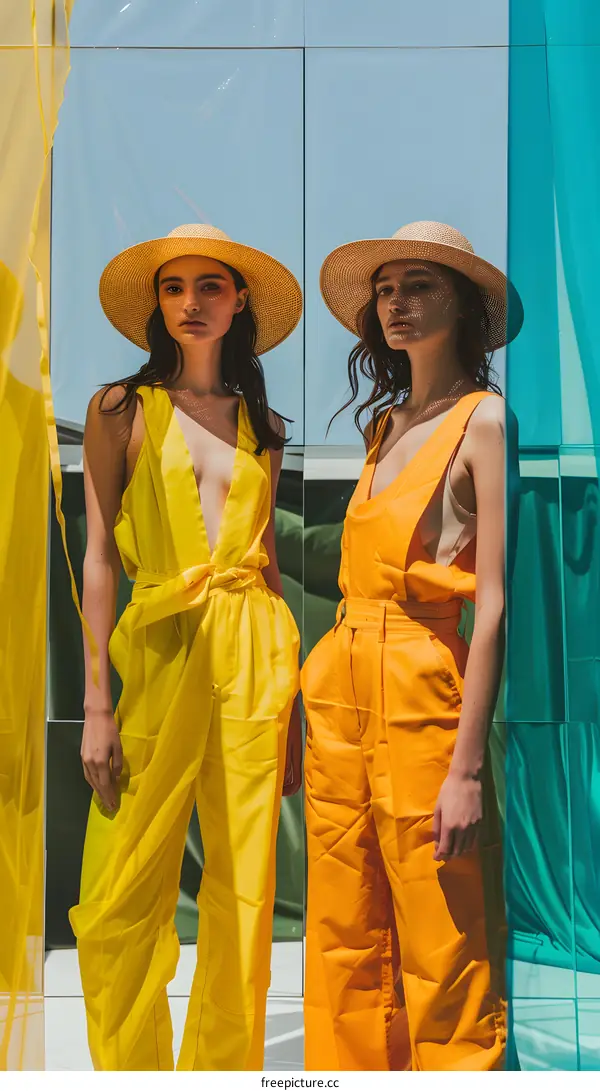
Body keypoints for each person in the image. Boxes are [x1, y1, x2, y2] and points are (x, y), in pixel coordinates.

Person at [69, 224, 303, 1071]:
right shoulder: (121, 409)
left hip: (254, 656)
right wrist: (97, 701)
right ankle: (132, 1072)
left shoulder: (264, 425)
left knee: (244, 894)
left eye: (211, 286)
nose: (192, 302)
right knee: (118, 889)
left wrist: (297, 706)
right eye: (175, 288)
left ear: (238, 302)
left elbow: (269, 566)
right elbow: (99, 555)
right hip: (160, 652)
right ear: (156, 305)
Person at [302, 221, 524, 1071]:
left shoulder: (484, 421)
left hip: (425, 685)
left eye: (420, 285)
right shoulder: (385, 424)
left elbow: (494, 606)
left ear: (462, 304)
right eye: (387, 288)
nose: (397, 302)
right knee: (342, 924)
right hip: (340, 686)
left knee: (442, 925)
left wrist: (466, 768)